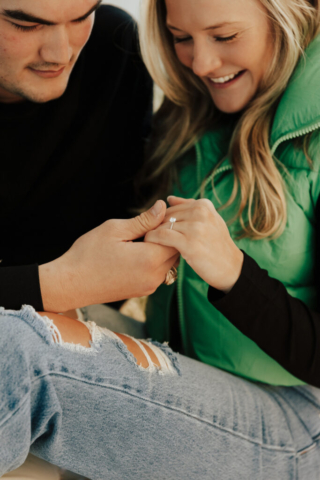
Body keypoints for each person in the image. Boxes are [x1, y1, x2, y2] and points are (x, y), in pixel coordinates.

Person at [2, 0, 320, 479]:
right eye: (181, 37)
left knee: (19, 354)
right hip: (187, 370)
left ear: (289, 14)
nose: (202, 63)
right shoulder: (194, 107)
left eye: (225, 36)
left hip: (297, 417)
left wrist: (235, 276)